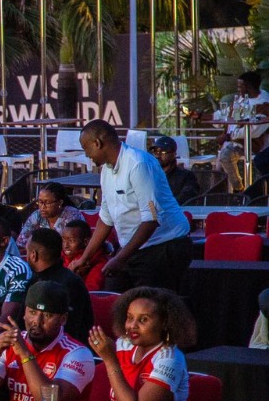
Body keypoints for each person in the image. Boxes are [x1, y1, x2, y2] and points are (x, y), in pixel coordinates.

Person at [75, 120, 194, 292]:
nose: (86, 154)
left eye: (85, 148)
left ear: (97, 143)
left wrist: (120, 258)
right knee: (114, 296)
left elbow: (151, 219)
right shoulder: (106, 170)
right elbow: (106, 219)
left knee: (150, 303)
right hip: (133, 248)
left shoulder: (138, 163)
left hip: (163, 245)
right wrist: (84, 258)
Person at [88, 286, 199, 401]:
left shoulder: (170, 359)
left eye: (143, 319)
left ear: (164, 323)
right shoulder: (124, 344)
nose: (132, 325)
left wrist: (110, 361)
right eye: (130, 318)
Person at [0, 281, 97, 401]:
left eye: (47, 315)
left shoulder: (78, 353)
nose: (37, 321)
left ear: (63, 319)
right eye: (32, 312)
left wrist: (25, 354)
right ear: (24, 313)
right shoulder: (12, 342)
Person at [23, 227, 92, 341]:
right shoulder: (35, 280)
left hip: (66, 348)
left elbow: (71, 330)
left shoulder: (69, 284)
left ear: (33, 255)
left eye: (27, 251)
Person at [19, 181, 85, 248]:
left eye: (47, 202)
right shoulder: (37, 215)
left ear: (60, 202)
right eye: (40, 202)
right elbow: (21, 242)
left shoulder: (72, 215)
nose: (43, 206)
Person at [150, 135, 201, 205]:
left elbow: (187, 197)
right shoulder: (148, 175)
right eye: (156, 152)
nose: (158, 155)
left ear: (174, 154)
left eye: (163, 152)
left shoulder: (186, 176)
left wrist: (165, 205)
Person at [64, 218, 111, 291]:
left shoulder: (99, 262)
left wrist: (75, 277)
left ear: (86, 242)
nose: (65, 245)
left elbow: (91, 291)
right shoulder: (60, 257)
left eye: (71, 241)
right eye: (63, 240)